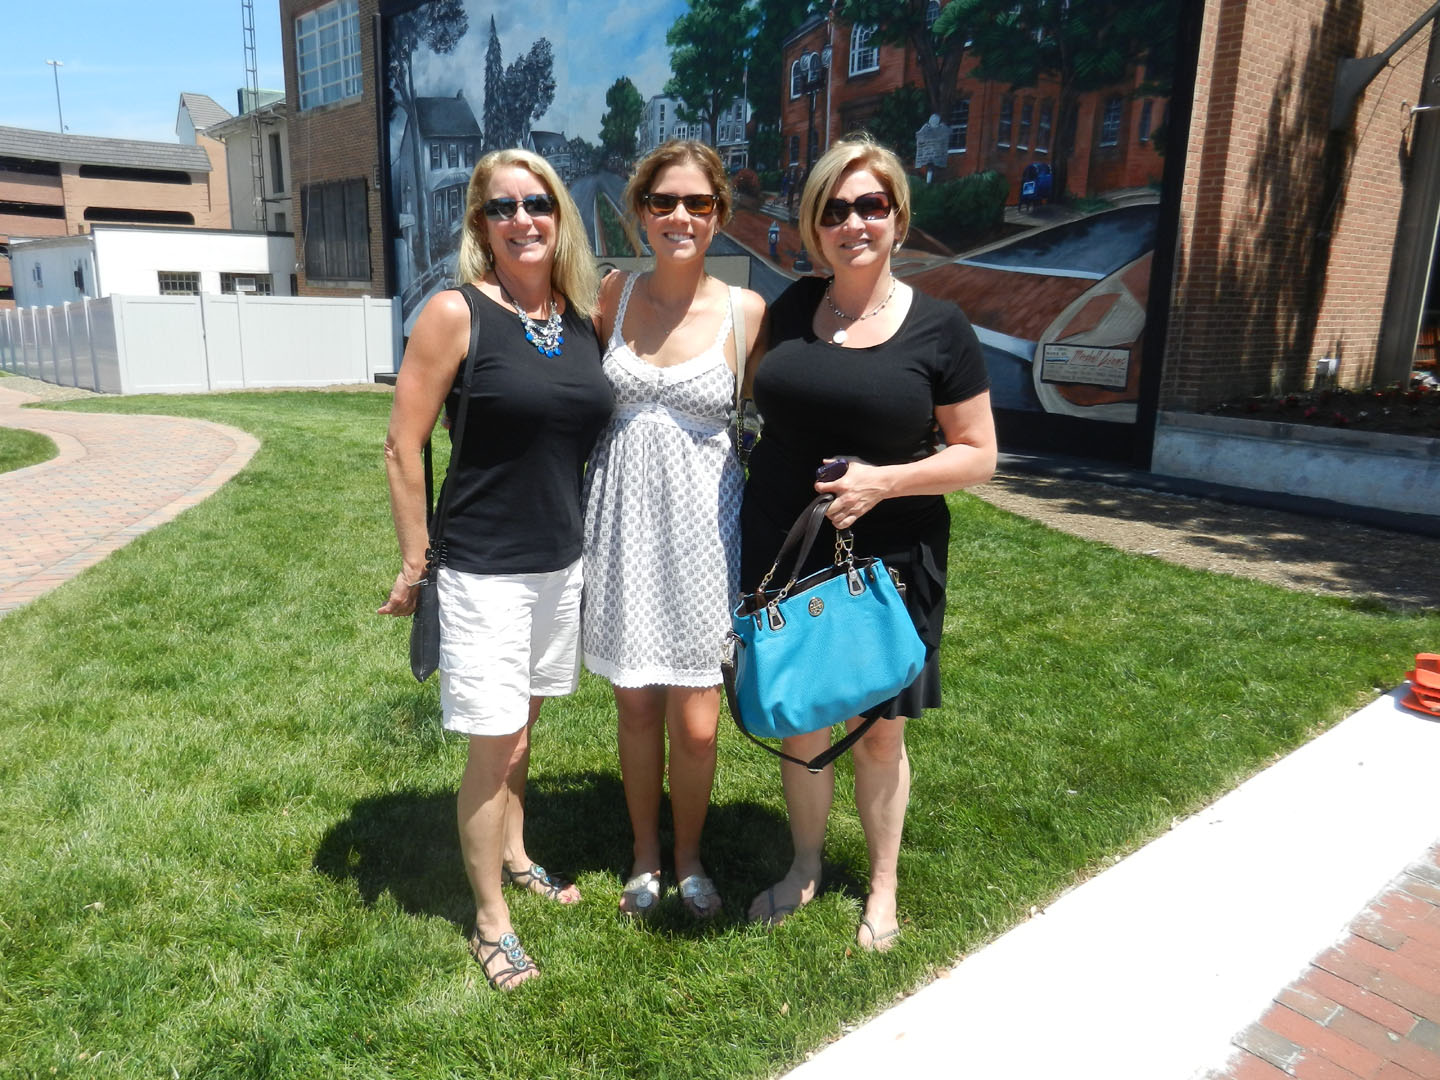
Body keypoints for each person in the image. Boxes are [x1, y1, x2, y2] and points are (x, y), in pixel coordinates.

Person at [740, 137, 996, 951]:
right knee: (801, 714)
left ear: (897, 217)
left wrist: (884, 480)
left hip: (889, 556)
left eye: (871, 206)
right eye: (836, 209)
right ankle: (804, 865)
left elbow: (979, 455)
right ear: (815, 225)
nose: (854, 223)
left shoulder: (940, 328)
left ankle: (882, 885)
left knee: (881, 726)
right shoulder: (789, 309)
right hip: (785, 543)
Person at [379, 148, 613, 989]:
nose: (523, 219)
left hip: (559, 563)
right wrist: (418, 562)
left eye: (537, 202)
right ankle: (489, 922)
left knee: (524, 729)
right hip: (482, 568)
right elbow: (401, 445)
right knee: (492, 743)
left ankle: (515, 855)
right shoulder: (456, 313)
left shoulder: (581, 319)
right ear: (480, 224)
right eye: (502, 207)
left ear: (560, 214)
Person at [581, 141, 765, 920]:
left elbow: (779, 420)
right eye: (664, 202)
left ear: (718, 215)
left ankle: (689, 855)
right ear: (641, 212)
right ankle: (645, 854)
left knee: (695, 725)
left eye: (697, 202)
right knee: (634, 708)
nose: (680, 216)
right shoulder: (611, 296)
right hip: (621, 528)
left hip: (704, 540)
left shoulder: (745, 314)